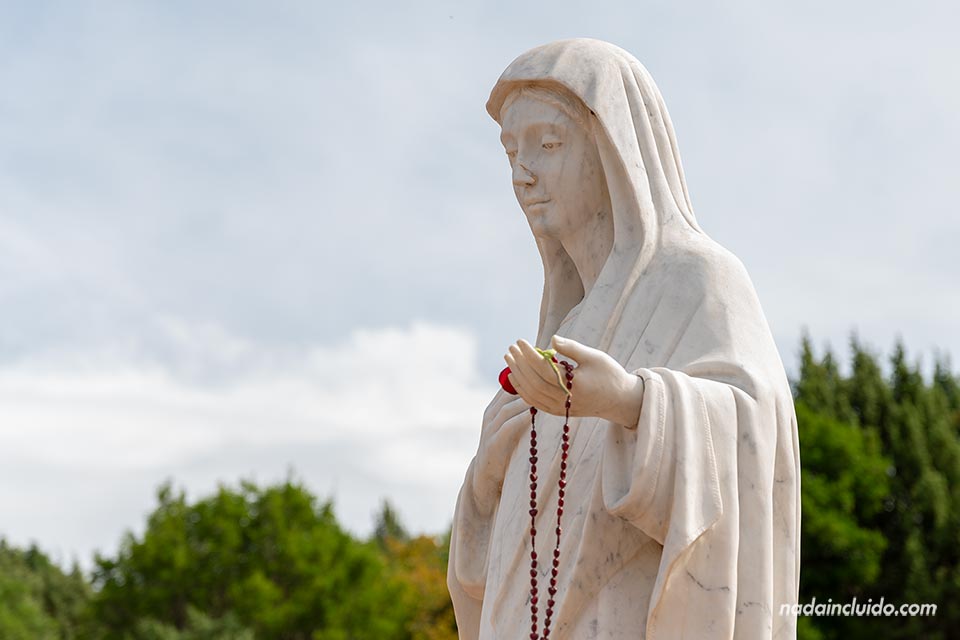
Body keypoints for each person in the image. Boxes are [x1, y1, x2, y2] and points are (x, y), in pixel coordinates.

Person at [447, 38, 800, 639]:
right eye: (510, 152)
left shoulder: (698, 279)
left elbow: (757, 434)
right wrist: (486, 481)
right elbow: (495, 574)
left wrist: (633, 404)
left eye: (548, 145)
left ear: (614, 149)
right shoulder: (565, 325)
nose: (521, 174)